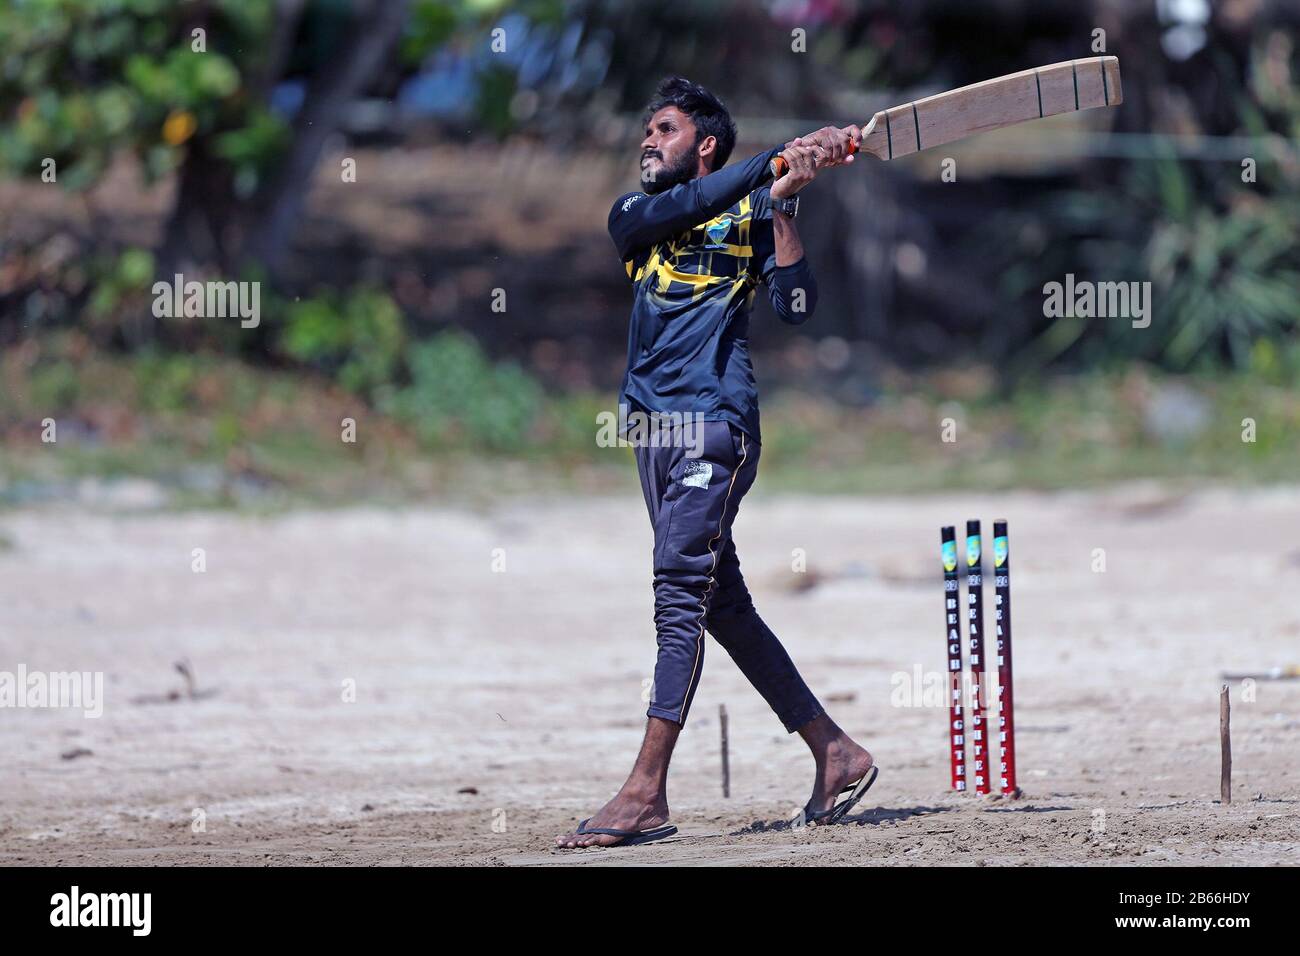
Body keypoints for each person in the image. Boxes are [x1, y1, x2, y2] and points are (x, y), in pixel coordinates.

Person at [556, 77, 876, 849]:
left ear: (704, 143)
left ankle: (644, 794)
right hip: (653, 437)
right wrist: (779, 161)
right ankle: (835, 753)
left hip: (715, 427)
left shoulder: (758, 205)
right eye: (645, 128)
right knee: (721, 605)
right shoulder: (635, 215)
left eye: (662, 129)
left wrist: (787, 199)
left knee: (676, 589)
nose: (646, 141)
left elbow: (797, 308)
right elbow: (694, 208)